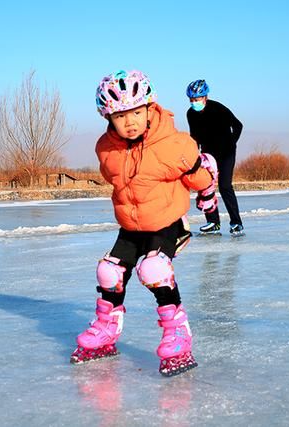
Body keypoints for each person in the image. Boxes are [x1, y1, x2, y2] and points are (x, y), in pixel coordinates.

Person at [70, 70, 217, 376]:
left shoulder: (174, 144)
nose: (131, 121)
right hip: (131, 225)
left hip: (168, 222)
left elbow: (196, 175)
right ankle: (107, 328)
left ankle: (178, 332)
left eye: (137, 112)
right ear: (108, 118)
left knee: (153, 269)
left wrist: (207, 193)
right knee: (108, 271)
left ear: (150, 108)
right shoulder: (106, 149)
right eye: (121, 116)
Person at [186, 79, 245, 236]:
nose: (194, 102)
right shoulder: (191, 113)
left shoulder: (218, 109)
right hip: (208, 155)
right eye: (191, 99)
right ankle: (213, 222)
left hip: (226, 153)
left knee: (225, 186)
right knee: (205, 186)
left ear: (205, 97)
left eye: (196, 99)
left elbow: (238, 125)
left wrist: (231, 143)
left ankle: (236, 223)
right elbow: (194, 136)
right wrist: (194, 154)